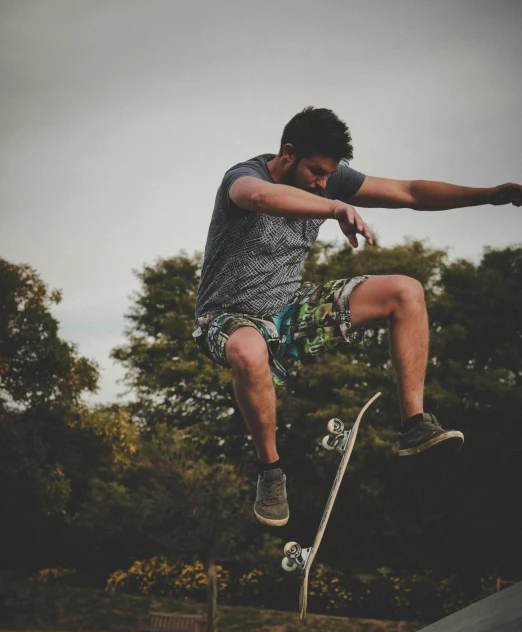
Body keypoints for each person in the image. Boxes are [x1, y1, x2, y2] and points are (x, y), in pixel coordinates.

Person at [193, 107, 522, 527]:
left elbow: (410, 193)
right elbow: (257, 197)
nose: (324, 183)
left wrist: (486, 195)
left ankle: (415, 425)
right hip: (225, 317)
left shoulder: (327, 179)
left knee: (406, 292)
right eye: (316, 172)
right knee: (247, 349)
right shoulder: (243, 177)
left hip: (290, 310)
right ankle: (271, 472)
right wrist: (334, 208)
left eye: (331, 175)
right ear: (288, 153)